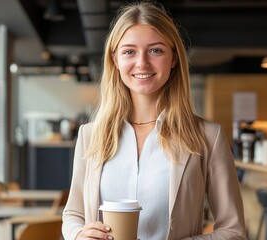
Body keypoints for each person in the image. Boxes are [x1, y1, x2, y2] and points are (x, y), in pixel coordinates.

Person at [62, 2, 246, 240]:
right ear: (115, 60)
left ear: (173, 59)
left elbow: (234, 231)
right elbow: (72, 213)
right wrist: (78, 235)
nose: (142, 63)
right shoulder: (90, 135)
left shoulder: (208, 136)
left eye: (156, 50)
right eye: (129, 51)